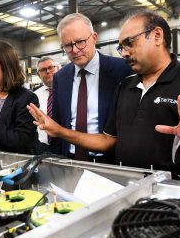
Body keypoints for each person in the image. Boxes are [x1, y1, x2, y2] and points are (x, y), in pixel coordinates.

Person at [28, 11, 180, 186]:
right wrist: (58, 130)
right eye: (122, 46)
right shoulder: (126, 86)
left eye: (130, 43)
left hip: (177, 192)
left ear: (157, 36)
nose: (124, 53)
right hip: (126, 188)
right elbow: (108, 140)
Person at [52, 13, 133, 162]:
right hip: (70, 159)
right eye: (68, 46)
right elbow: (57, 124)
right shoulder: (60, 77)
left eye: (80, 41)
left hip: (110, 161)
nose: (75, 50)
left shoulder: (123, 69)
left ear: (94, 37)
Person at [34, 56, 58, 153]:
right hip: (43, 146)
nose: (48, 71)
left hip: (66, 144)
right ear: (38, 74)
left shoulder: (69, 91)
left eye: (51, 67)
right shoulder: (34, 95)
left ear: (57, 68)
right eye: (43, 70)